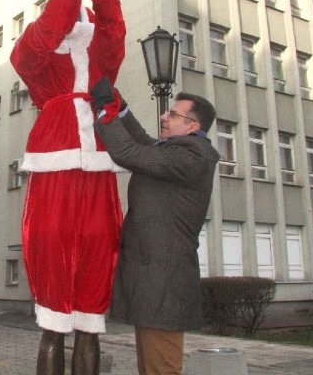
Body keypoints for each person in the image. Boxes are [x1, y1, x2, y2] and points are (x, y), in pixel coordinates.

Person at [10, 0, 125, 375]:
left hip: (97, 167)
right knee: (55, 316)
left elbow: (113, 16)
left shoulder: (101, 51)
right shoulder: (35, 57)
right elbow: (49, 29)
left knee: (91, 312)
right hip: (55, 164)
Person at [91, 78, 220, 375]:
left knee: (162, 369)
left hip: (163, 283)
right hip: (154, 280)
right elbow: (144, 142)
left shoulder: (192, 156)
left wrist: (103, 112)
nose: (164, 116)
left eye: (173, 115)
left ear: (192, 126)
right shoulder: (177, 152)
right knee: (150, 367)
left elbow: (129, 153)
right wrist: (121, 109)